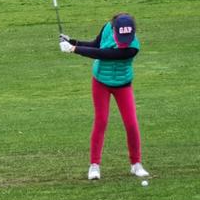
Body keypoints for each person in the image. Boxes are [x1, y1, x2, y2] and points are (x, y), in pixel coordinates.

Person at [59, 13, 149, 180]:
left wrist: (74, 49)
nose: (125, 40)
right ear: (114, 29)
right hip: (101, 82)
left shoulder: (132, 48)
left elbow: (103, 54)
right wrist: (72, 42)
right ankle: (94, 165)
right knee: (101, 121)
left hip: (123, 85)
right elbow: (96, 45)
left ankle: (136, 164)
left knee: (131, 123)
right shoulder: (107, 27)